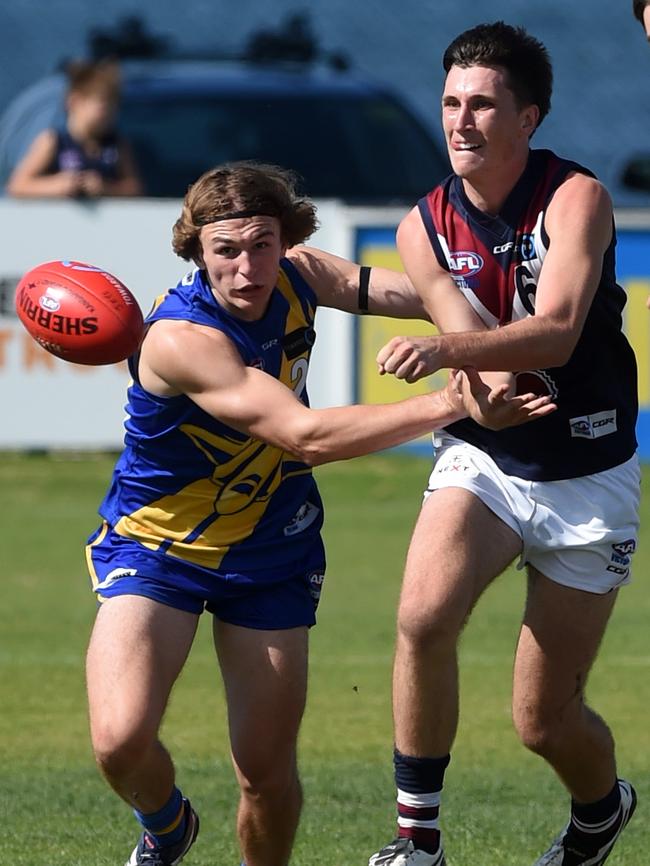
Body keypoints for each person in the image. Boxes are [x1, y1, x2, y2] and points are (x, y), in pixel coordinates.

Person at [83, 161, 552, 866]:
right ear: (196, 252)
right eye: (227, 251)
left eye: (263, 244)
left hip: (274, 547)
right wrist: (457, 400)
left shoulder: (303, 274)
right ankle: (167, 823)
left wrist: (514, 314)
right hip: (160, 547)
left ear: (285, 238)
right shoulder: (181, 338)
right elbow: (306, 437)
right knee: (119, 741)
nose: (248, 268)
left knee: (265, 778)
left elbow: (427, 291)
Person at [367, 22, 639, 866]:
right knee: (421, 617)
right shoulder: (424, 223)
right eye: (451, 102)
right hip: (487, 462)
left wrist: (448, 355)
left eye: (483, 104)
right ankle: (418, 843)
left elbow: (554, 333)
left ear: (530, 117)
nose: (462, 121)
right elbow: (458, 323)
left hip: (589, 474)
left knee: (542, 722)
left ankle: (602, 810)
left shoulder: (576, 198)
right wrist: (478, 399)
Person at [6, 59, 142, 198]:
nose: (109, 115)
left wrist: (105, 188)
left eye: (114, 108)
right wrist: (56, 186)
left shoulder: (117, 145)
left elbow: (135, 189)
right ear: (75, 101)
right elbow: (16, 186)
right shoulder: (52, 141)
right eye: (103, 108)